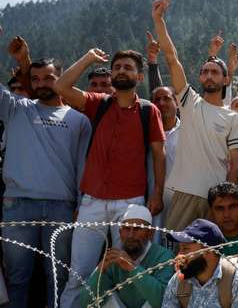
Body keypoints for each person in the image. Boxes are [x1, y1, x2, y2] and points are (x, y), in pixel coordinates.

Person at [56, 48, 166, 308]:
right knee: (79, 274)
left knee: (127, 270)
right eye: (117, 67)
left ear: (139, 76)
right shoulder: (99, 103)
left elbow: (159, 155)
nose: (121, 71)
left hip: (130, 204)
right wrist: (88, 58)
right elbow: (61, 86)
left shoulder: (148, 111)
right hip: (92, 202)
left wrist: (157, 193)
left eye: (128, 68)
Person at [1, 38, 92, 308]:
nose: (41, 83)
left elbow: (82, 167)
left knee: (59, 278)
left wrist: (80, 205)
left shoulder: (79, 120)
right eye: (36, 79)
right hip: (18, 206)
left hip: (62, 209)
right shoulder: (16, 108)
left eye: (48, 78)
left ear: (61, 78)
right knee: (17, 278)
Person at [151, 0, 238, 231]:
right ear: (200, 77)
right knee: (177, 258)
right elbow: (172, 58)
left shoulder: (233, 118)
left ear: (226, 80)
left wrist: (227, 200)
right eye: (205, 71)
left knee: (210, 258)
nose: (209, 75)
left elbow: (235, 163)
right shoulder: (189, 101)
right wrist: (159, 19)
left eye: (215, 72)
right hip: (184, 194)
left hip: (216, 200)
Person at [78, 204, 175, 308]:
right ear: (120, 233)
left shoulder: (164, 256)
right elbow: (86, 304)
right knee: (107, 297)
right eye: (127, 229)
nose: (131, 235)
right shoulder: (114, 258)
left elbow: (163, 302)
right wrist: (100, 271)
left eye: (137, 229)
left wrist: (132, 268)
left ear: (150, 233)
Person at [162, 219, 238, 308]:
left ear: (207, 250)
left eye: (185, 249)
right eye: (180, 249)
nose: (180, 255)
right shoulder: (179, 281)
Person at [151, 86, 180, 235]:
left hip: (179, 200)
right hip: (152, 198)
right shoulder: (145, 132)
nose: (161, 103)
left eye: (167, 98)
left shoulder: (188, 132)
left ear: (177, 102)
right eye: (157, 100)